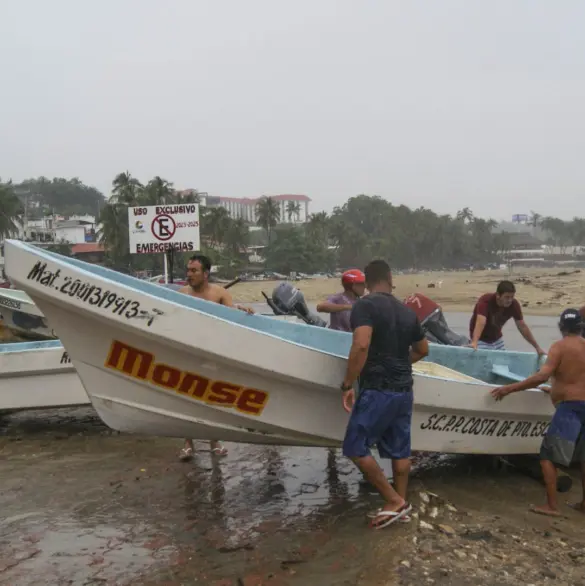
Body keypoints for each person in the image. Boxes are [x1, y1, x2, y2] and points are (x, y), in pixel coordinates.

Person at [340, 259, 429, 529]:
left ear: (366, 282)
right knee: (400, 451)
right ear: (390, 278)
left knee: (354, 446)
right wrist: (400, 364)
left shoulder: (364, 305)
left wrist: (347, 383)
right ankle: (400, 505)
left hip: (378, 389)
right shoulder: (406, 311)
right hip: (404, 390)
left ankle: (393, 500)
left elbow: (361, 345)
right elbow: (423, 349)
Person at [491, 309, 585, 517]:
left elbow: (541, 377)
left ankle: (552, 506)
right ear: (580, 326)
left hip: (570, 408)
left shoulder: (559, 347)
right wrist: (557, 390)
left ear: (561, 327)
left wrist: (510, 388)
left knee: (547, 457)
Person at [177, 253, 254, 461]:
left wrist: (243, 310)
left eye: (194, 271)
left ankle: (214, 442)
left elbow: (232, 318)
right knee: (185, 397)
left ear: (206, 273)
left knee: (210, 397)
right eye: (188, 270)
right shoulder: (182, 293)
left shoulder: (219, 293)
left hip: (213, 353)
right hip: (188, 350)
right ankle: (187, 443)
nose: (189, 274)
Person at [469, 280, 545, 355]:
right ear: (498, 295)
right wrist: (475, 342)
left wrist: (537, 347)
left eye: (512, 297)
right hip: (481, 339)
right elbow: (481, 321)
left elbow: (522, 327)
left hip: (497, 339)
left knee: (502, 363)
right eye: (507, 297)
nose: (509, 300)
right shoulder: (485, 301)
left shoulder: (514, 305)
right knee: (486, 363)